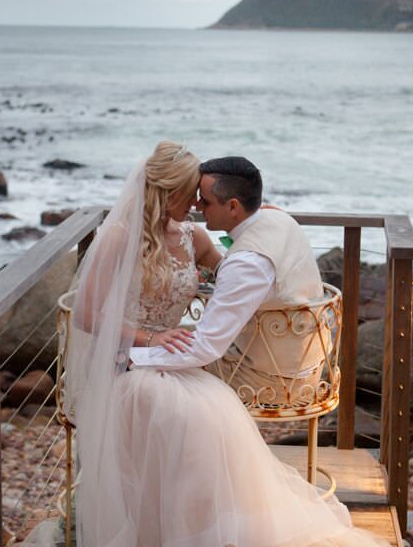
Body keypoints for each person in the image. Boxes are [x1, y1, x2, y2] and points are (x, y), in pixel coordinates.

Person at [4, 141, 391, 547]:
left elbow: (228, 274)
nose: (194, 206)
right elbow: (86, 314)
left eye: (200, 197)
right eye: (189, 195)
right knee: (180, 413)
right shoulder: (120, 236)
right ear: (163, 192)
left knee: (214, 412)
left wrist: (261, 285)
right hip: (128, 362)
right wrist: (147, 339)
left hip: (173, 361)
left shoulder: (190, 237)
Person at [130, 156, 328, 402]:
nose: (198, 207)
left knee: (147, 384)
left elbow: (203, 349)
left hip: (267, 378)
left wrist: (135, 357)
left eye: (206, 201)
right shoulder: (278, 218)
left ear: (233, 206)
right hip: (311, 361)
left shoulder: (247, 263)